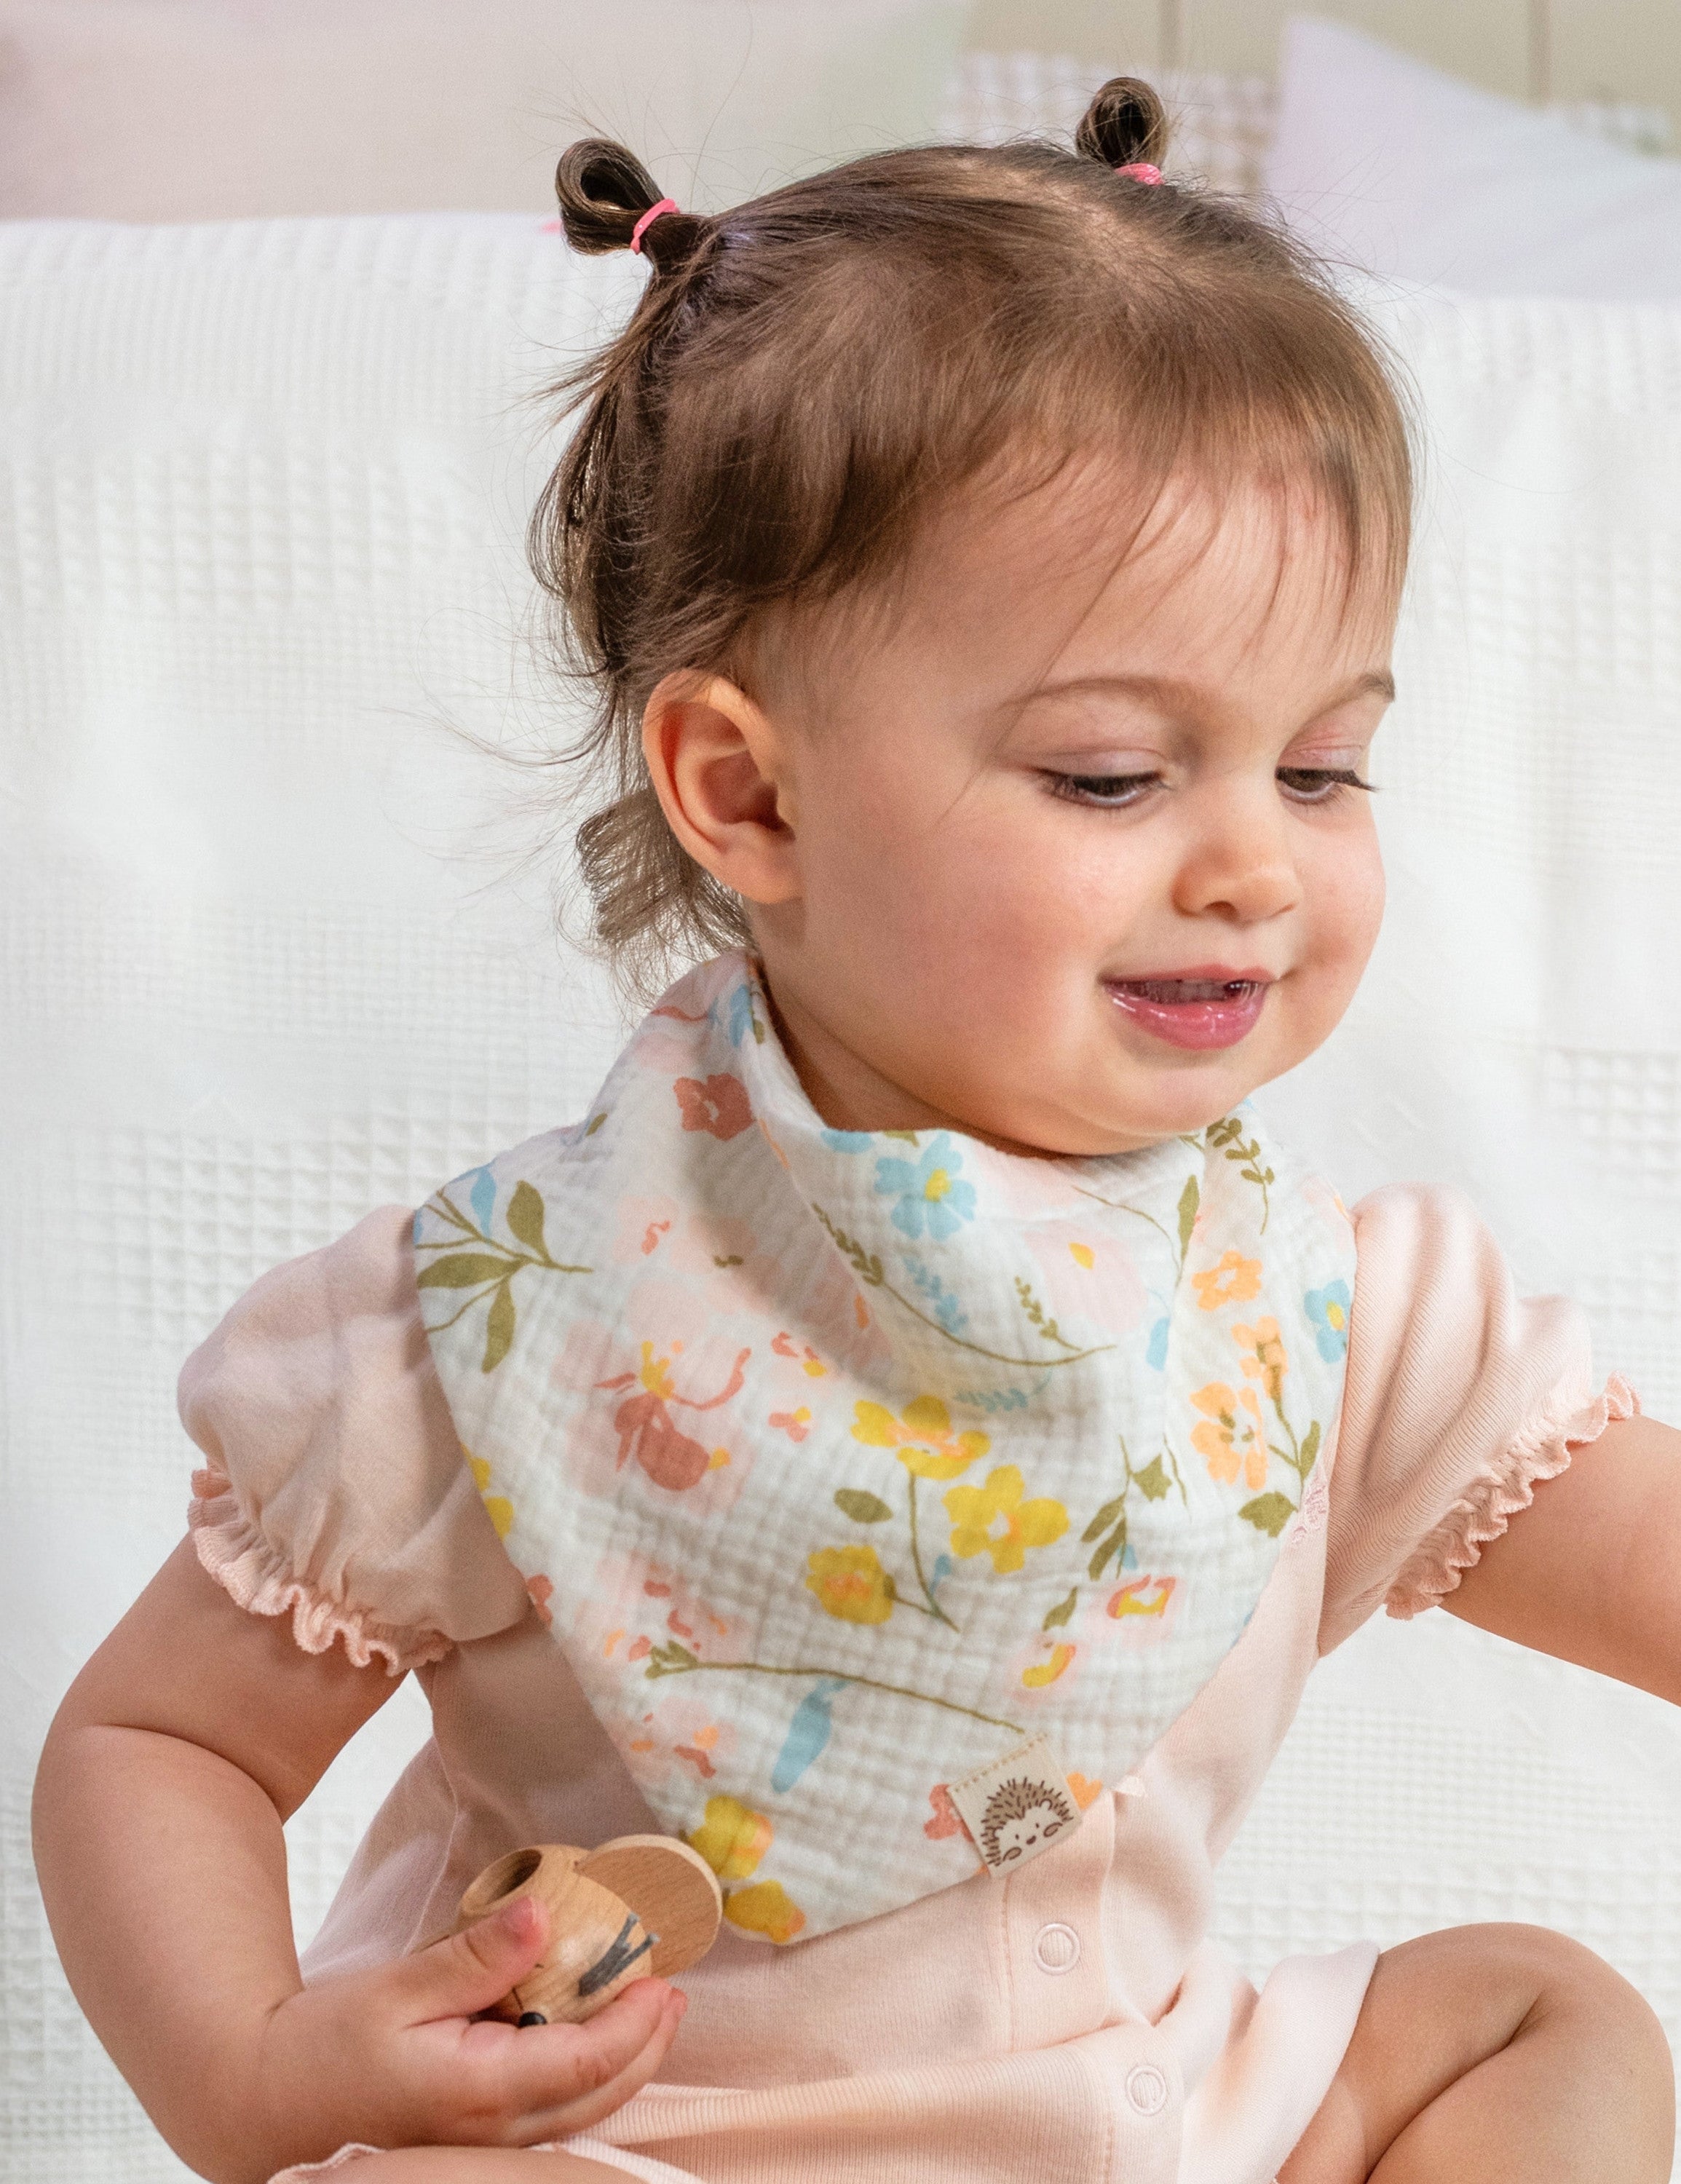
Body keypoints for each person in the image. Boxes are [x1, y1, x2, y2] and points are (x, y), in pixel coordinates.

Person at [31, 78, 1679, 2184]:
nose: (1257, 869)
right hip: (639, 2137)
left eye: (1325, 770)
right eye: (1112, 778)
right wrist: (261, 2064)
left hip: (1154, 2121)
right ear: (752, 796)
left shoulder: (1325, 1313)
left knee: (1539, 2014)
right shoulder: (502, 1328)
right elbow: (155, 1741)